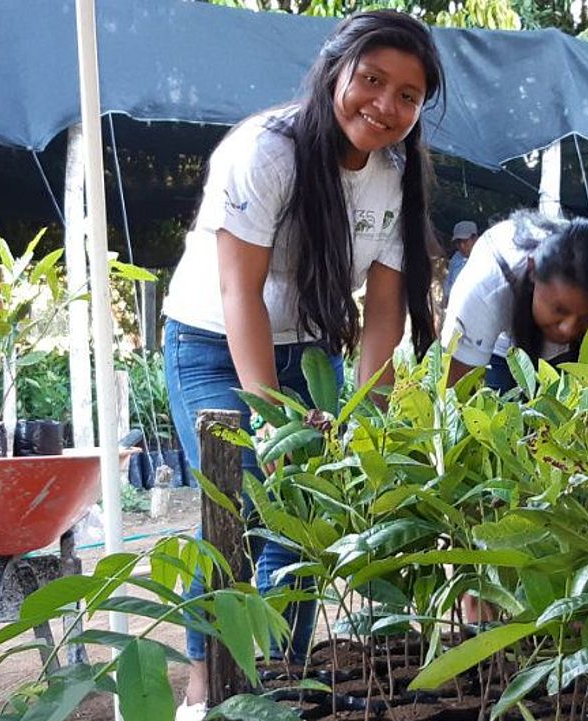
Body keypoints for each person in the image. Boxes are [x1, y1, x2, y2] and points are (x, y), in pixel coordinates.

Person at [160, 10, 444, 719]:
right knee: (241, 508)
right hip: (213, 343)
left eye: (407, 96)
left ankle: (279, 683)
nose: (385, 105)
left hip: (311, 353)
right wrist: (269, 422)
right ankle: (207, 682)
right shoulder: (267, 150)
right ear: (335, 71)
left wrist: (367, 426)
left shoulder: (391, 177)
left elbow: (384, 314)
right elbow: (239, 293)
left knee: (306, 520)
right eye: (372, 80)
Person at [441, 210, 588, 391]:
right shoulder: (487, 285)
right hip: (504, 349)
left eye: (587, 318)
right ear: (532, 272)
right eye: (559, 310)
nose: (568, 328)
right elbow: (455, 393)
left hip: (579, 353)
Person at [443, 219, 479, 301]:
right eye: (458, 242)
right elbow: (448, 282)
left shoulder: (485, 259)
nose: (462, 246)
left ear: (475, 239)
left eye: (465, 241)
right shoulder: (455, 259)